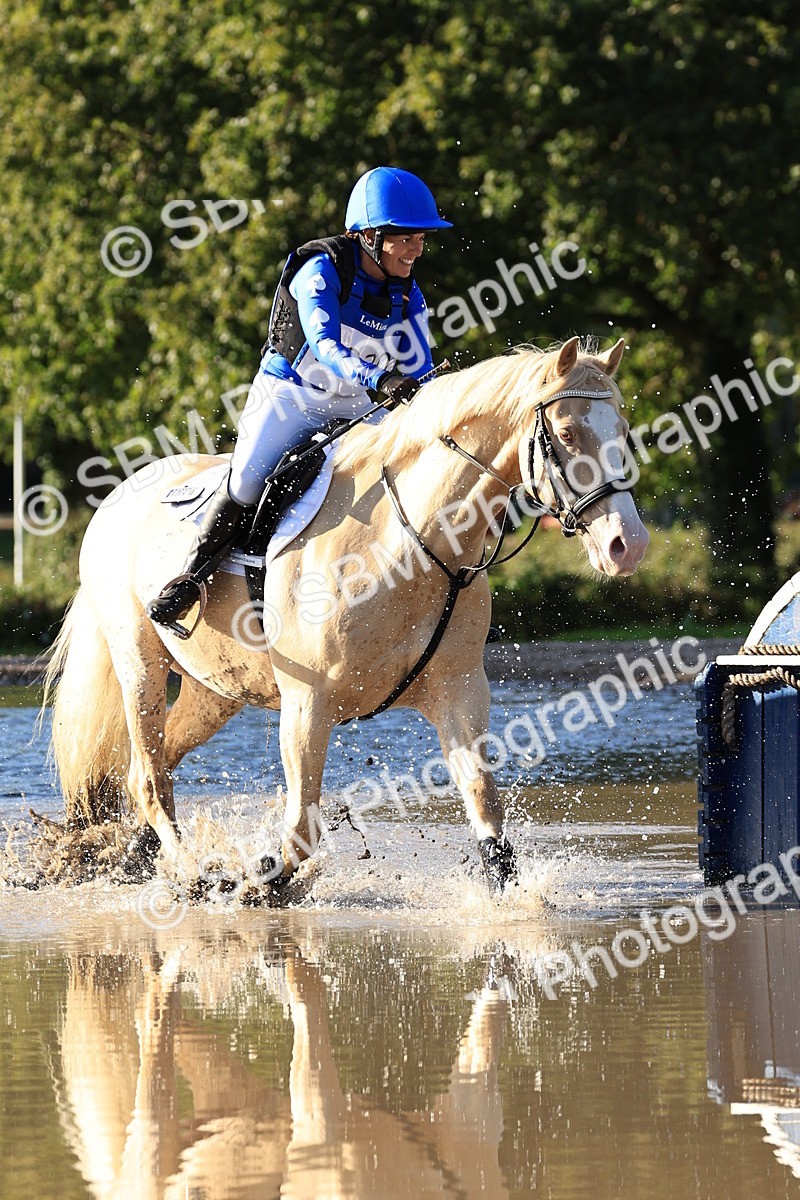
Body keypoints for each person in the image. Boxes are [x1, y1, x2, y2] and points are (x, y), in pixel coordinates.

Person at [145, 166, 452, 636]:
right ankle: (190, 578)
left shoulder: (407, 294)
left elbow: (420, 368)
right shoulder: (321, 270)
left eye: (420, 239)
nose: (417, 250)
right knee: (248, 481)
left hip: (356, 405)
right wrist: (380, 379)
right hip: (291, 396)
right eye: (406, 239)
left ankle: (430, 591)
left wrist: (432, 399)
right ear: (369, 236)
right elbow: (326, 346)